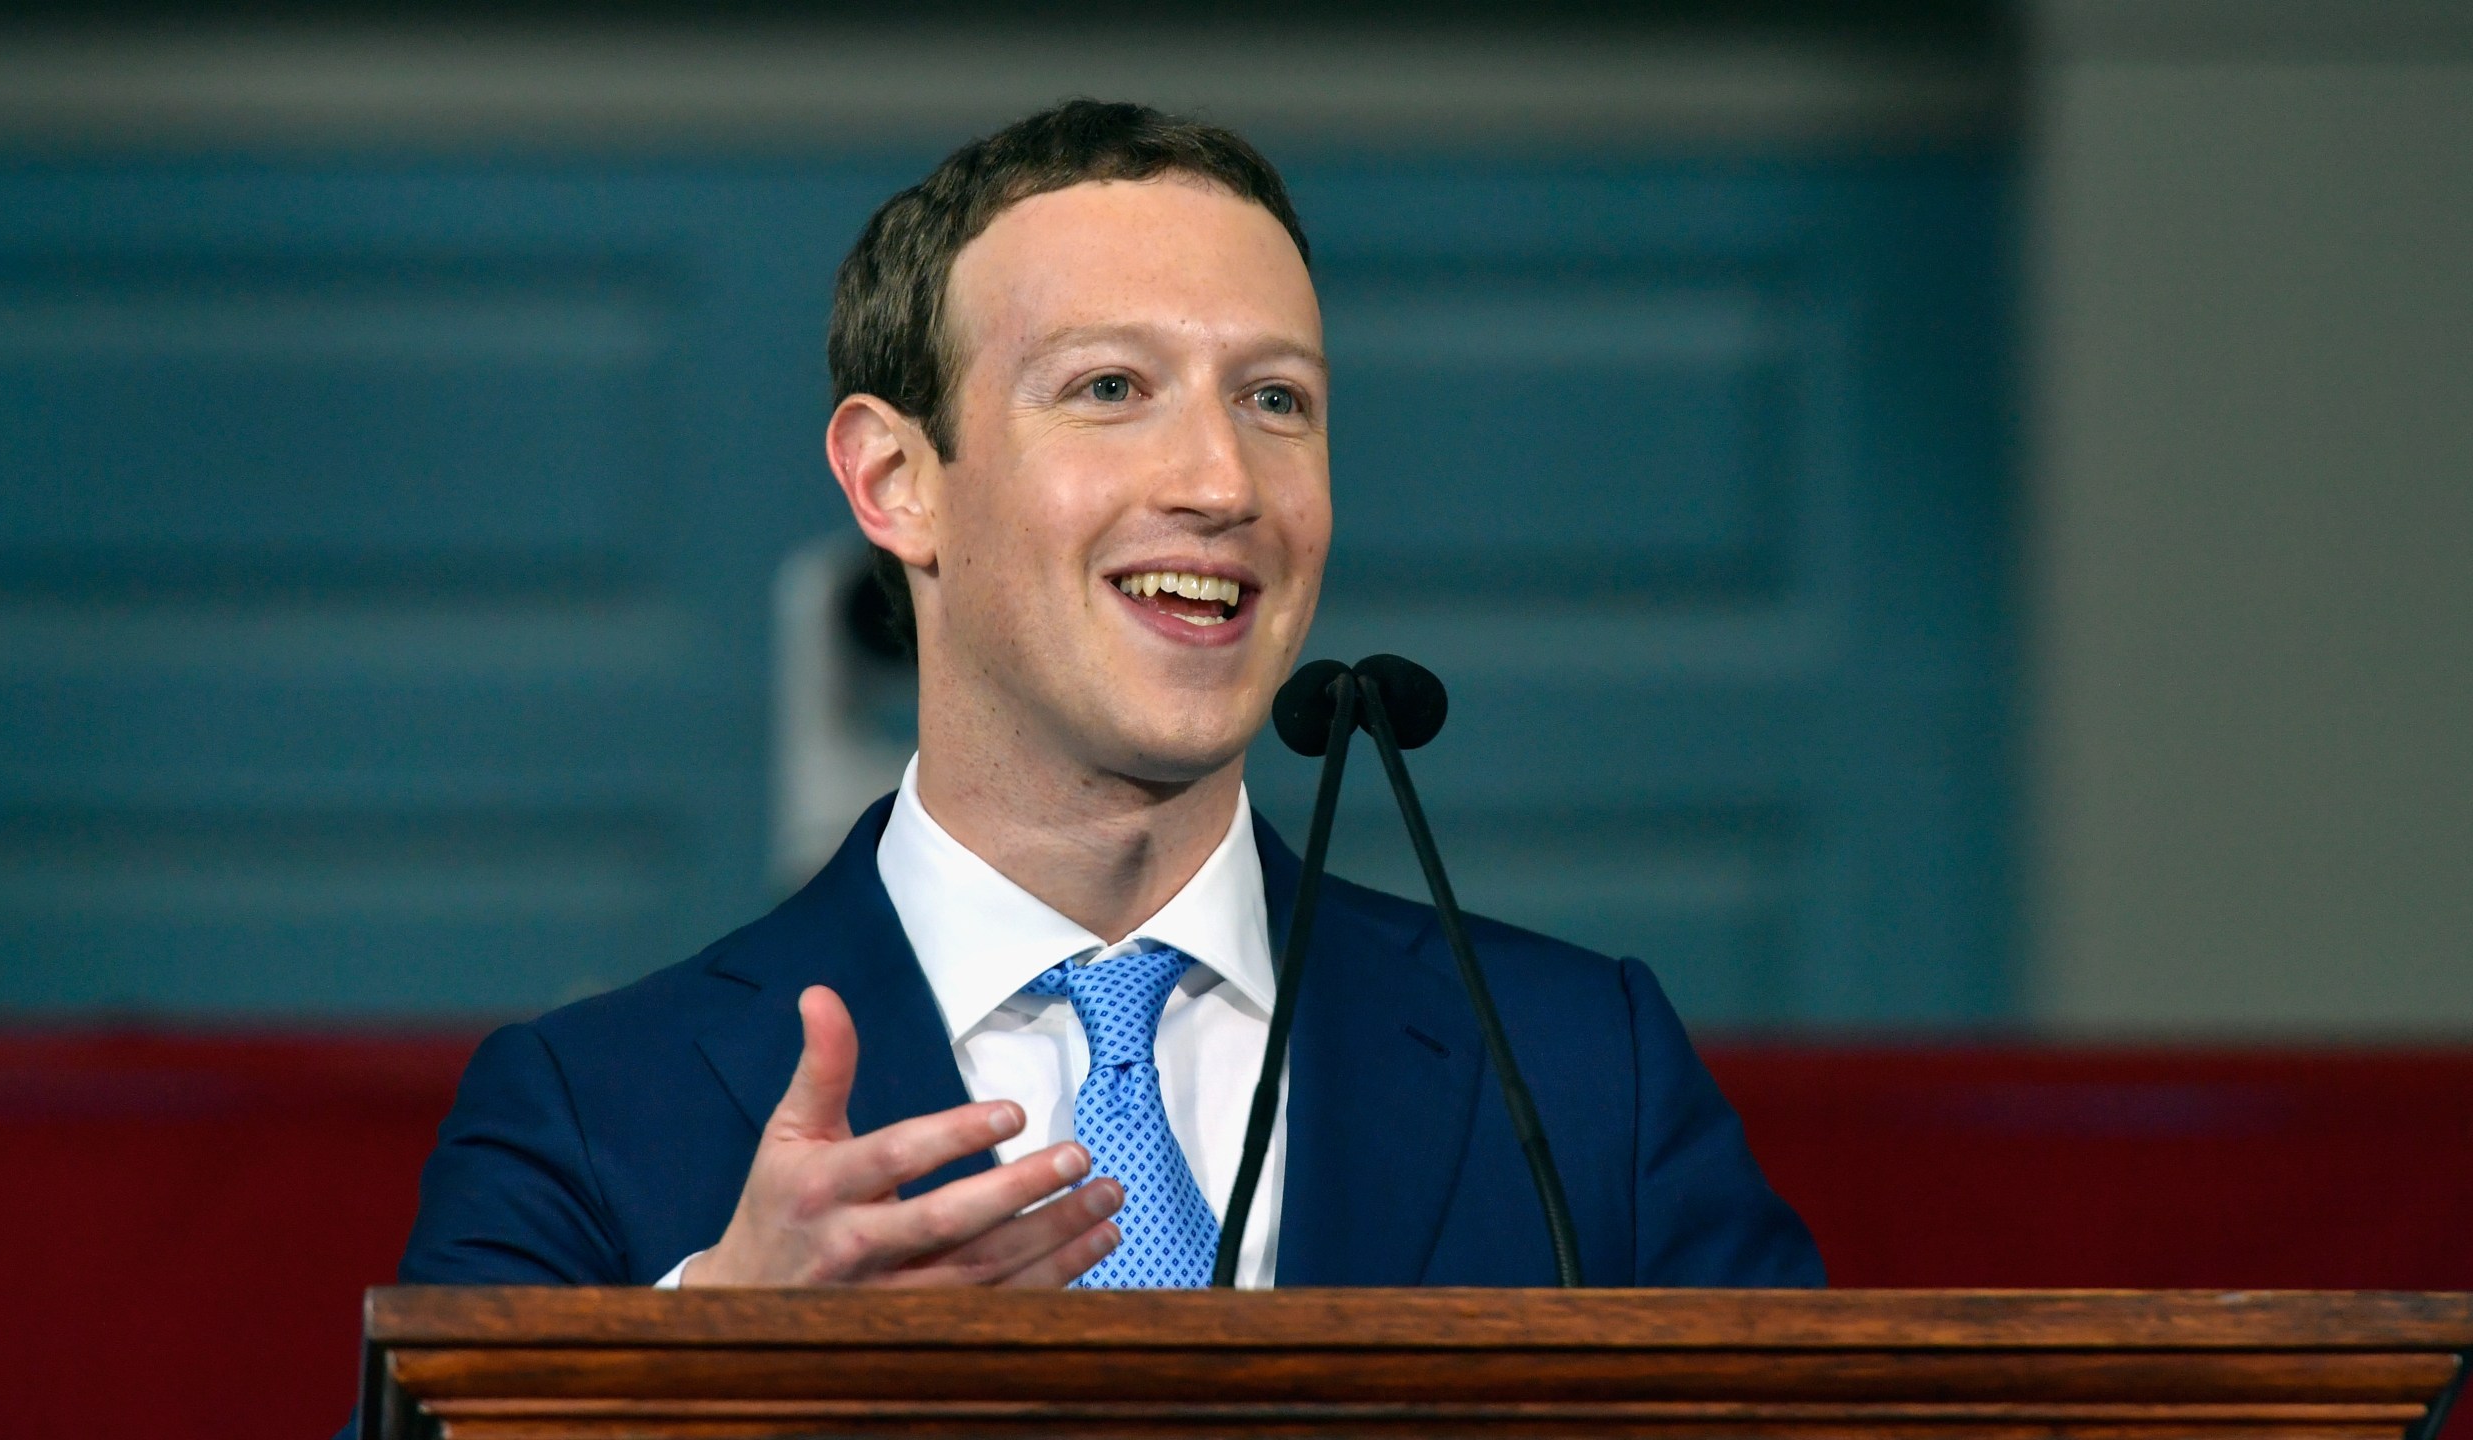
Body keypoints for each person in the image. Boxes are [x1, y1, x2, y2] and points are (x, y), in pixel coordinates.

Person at [398, 99, 1822, 1295]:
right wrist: (693, 1366)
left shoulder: (1582, 1073)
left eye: (1277, 400)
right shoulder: (591, 1111)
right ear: (896, 482)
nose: (1219, 481)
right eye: (1109, 387)